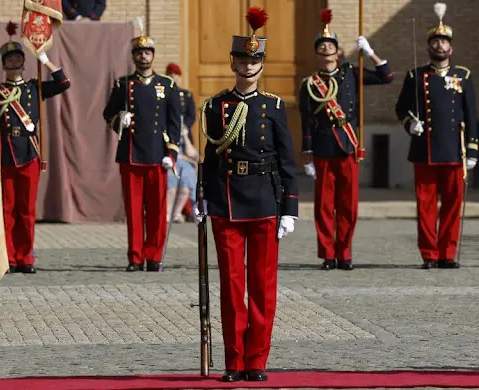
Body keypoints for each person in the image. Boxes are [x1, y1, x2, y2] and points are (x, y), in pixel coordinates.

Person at [198, 6, 298, 382]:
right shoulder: (216, 106)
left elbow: (286, 160)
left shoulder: (273, 106)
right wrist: (202, 198)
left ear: (261, 64)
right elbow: (210, 158)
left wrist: (290, 208)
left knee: (262, 286)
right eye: (243, 60)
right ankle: (233, 361)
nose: (249, 66)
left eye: (254, 60)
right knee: (231, 287)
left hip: (264, 201)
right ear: (233, 64)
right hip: (226, 202)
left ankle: (256, 360)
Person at [298, 8, 393, 271]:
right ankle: (328, 254)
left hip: (349, 146)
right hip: (322, 149)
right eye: (322, 46)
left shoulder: (352, 71)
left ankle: (345, 252)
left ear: (338, 51)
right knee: (324, 207)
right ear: (317, 54)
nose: (326, 49)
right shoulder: (309, 84)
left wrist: (369, 52)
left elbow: (387, 77)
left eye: (331, 45)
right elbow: (306, 121)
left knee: (348, 206)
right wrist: (307, 154)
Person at [395, 2, 477, 269]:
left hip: (455, 150)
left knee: (453, 206)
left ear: (451, 47)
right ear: (428, 47)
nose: (440, 46)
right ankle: (429, 254)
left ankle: (447, 253)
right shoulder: (415, 75)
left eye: (444, 42)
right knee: (426, 207)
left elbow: (472, 115)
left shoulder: (463, 76)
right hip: (424, 149)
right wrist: (410, 125)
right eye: (435, 41)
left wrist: (473, 151)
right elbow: (401, 108)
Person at [102, 24, 181, 272]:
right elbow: (107, 114)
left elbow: (174, 123)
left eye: (147, 52)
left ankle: (154, 256)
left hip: (158, 155)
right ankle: (135, 257)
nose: (143, 56)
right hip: (131, 154)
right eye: (139, 53)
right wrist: (120, 120)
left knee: (157, 212)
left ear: (153, 56)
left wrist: (172, 154)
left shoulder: (167, 85)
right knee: (134, 211)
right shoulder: (122, 84)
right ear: (133, 56)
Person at [0, 22, 70, 274]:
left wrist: (45, 59)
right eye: (10, 58)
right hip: (5, 155)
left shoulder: (34, 87)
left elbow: (63, 82)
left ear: (24, 62)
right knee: (7, 210)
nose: (14, 61)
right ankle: (7, 257)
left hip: (29, 154)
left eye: (18, 57)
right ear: (4, 64)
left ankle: (25, 257)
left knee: (26, 211)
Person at [164, 62, 198, 223]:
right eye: (170, 74)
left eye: (175, 75)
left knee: (187, 175)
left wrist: (184, 127)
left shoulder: (186, 95)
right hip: (170, 140)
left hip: (183, 134)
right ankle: (169, 213)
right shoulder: (164, 92)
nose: (173, 77)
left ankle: (178, 212)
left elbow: (191, 115)